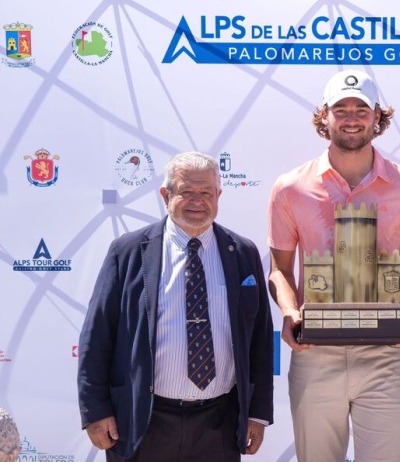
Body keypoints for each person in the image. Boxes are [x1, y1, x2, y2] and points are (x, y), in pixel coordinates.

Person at [267, 69, 400, 462]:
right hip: (315, 353)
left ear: (378, 117)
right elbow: (279, 270)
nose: (351, 117)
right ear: (323, 116)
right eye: (340, 108)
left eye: (361, 108)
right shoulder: (290, 187)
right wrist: (292, 312)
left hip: (383, 353)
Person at [78, 151, 274, 461]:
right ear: (166, 195)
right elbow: (97, 336)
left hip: (219, 424)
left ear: (218, 195)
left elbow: (261, 340)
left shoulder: (243, 253)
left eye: (206, 192)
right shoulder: (127, 252)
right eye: (186, 191)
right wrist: (95, 411)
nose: (198, 200)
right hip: (144, 422)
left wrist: (258, 414)